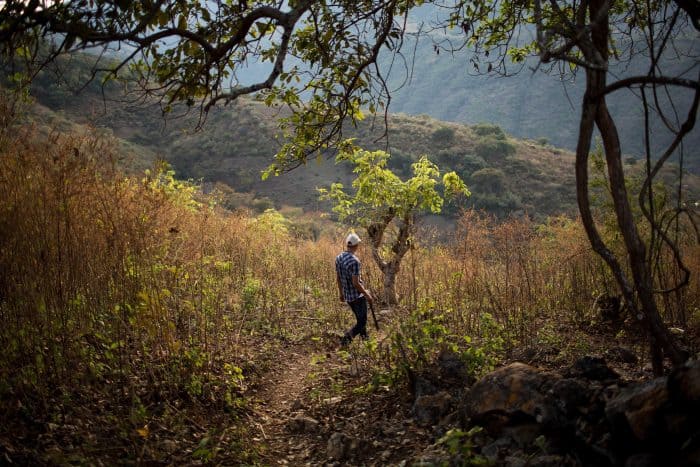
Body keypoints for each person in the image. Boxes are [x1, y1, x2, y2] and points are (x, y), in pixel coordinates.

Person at [336, 232, 374, 346]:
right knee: (362, 322)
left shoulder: (339, 258)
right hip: (357, 296)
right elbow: (356, 283)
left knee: (360, 320)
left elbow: (338, 278)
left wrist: (341, 293)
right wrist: (366, 294)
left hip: (348, 296)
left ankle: (366, 341)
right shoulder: (355, 261)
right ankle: (346, 339)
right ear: (356, 245)